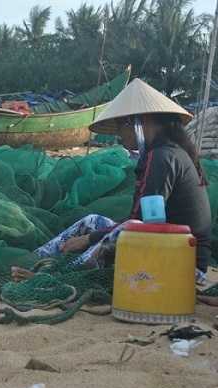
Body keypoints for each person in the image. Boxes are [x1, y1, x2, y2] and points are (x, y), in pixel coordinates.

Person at [25, 79, 211, 284]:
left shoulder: (162, 157)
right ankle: (35, 261)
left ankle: (60, 278)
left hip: (184, 265)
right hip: (170, 248)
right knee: (93, 221)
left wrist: (88, 239)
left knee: (128, 228)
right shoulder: (167, 152)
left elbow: (146, 223)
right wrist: (93, 234)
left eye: (122, 125)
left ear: (140, 122)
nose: (119, 134)